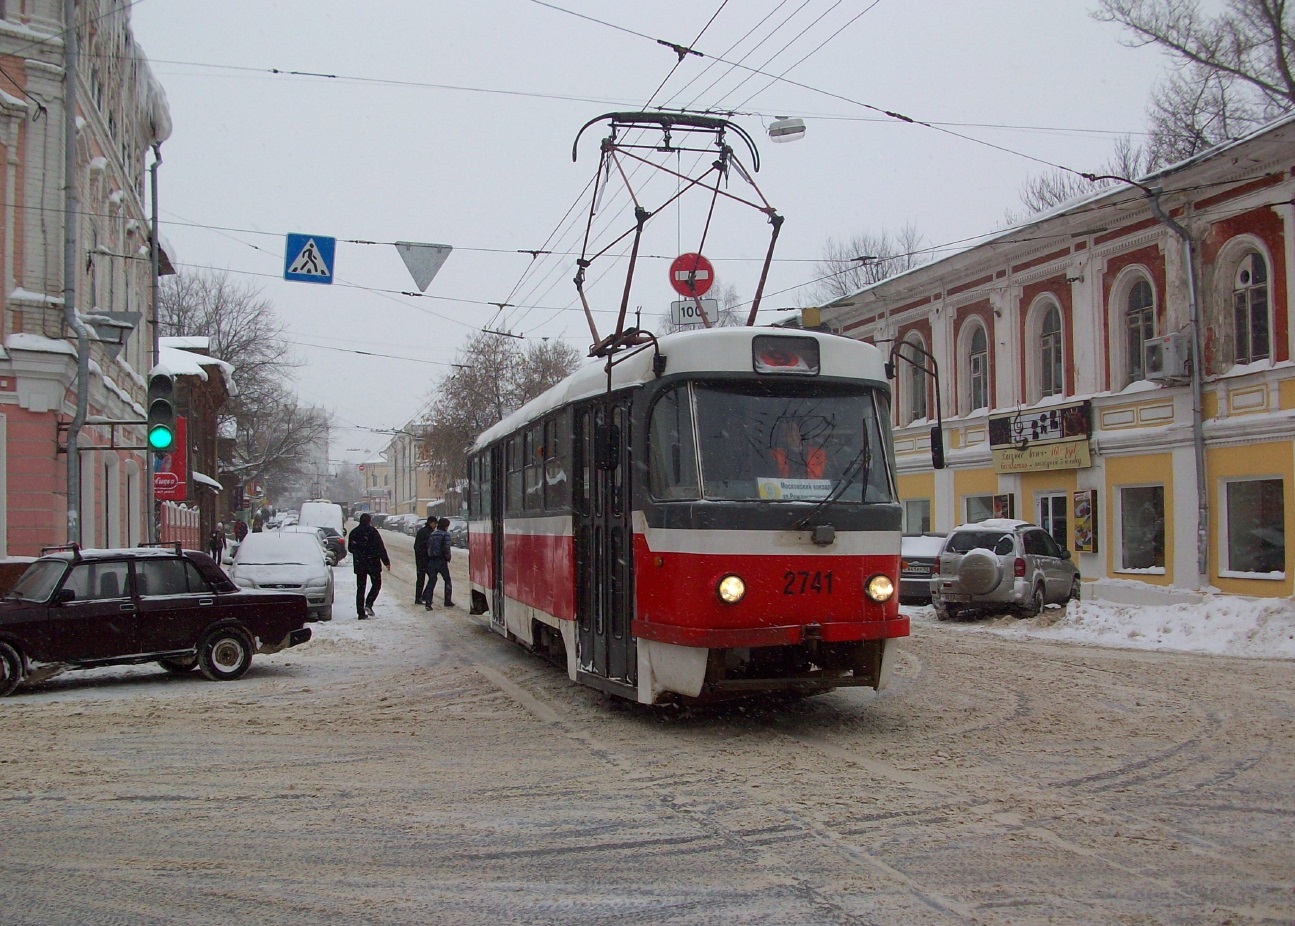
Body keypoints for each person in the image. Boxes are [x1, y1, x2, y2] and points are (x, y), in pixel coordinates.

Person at [347, 512, 390, 619]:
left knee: (361, 588)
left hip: (360, 564)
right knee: (376, 584)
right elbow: (380, 547)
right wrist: (386, 561)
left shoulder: (354, 532)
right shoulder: (373, 532)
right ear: (369, 521)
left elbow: (350, 549)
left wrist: (359, 551)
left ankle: (360, 613)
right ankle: (369, 603)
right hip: (373, 563)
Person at [423, 517, 454, 610]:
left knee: (432, 581)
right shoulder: (446, 535)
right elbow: (446, 548)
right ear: (445, 526)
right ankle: (447, 600)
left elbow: (429, 546)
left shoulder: (433, 534)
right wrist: (447, 557)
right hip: (441, 560)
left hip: (432, 560)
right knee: (447, 580)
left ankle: (428, 602)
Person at [413, 516, 435, 605]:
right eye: (435, 523)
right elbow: (429, 546)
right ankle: (424, 596)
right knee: (432, 578)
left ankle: (419, 597)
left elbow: (416, 546)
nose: (435, 525)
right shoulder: (429, 533)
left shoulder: (422, 531)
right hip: (426, 559)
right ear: (431, 523)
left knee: (421, 579)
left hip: (420, 559)